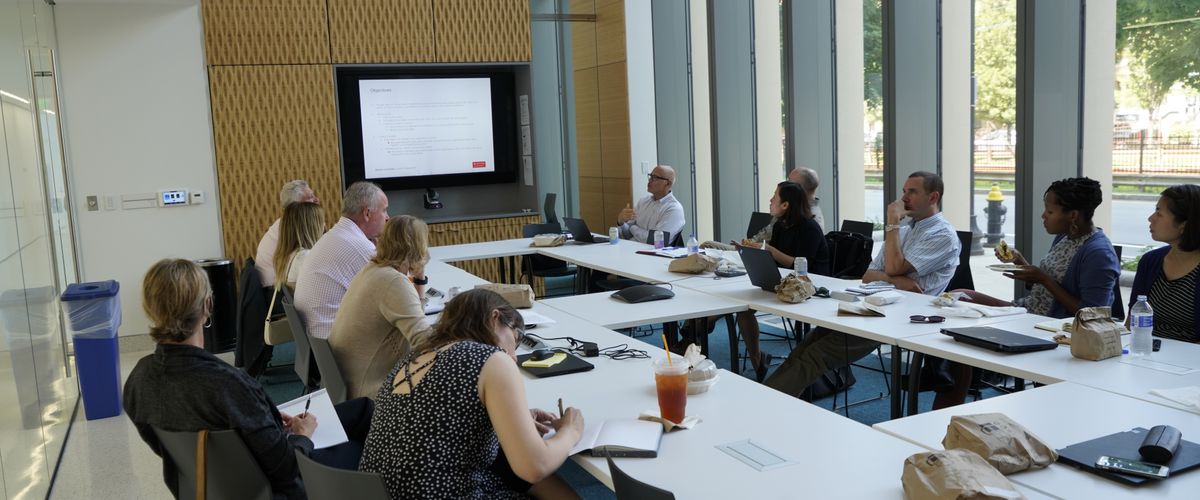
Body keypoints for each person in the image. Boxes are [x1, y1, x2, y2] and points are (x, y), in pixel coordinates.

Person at [124, 259, 373, 500]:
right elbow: (287, 469)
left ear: (150, 309)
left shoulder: (138, 381)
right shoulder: (228, 385)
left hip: (212, 487)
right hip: (278, 489)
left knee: (362, 409)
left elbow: (168, 449)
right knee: (358, 443)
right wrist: (302, 436)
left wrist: (266, 418)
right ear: (207, 306)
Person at [359, 289, 584, 499]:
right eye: (514, 339)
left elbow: (439, 423)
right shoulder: (491, 358)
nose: (514, 356)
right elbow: (534, 467)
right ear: (495, 318)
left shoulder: (413, 359)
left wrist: (513, 417)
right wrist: (570, 432)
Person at [764, 171, 959, 397]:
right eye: (904, 191)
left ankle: (764, 406)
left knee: (814, 356)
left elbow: (893, 268)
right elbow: (869, 275)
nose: (904, 198)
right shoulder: (905, 232)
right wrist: (897, 280)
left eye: (912, 192)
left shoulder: (942, 234)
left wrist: (892, 225)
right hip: (870, 305)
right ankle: (768, 401)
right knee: (805, 349)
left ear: (933, 197)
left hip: (899, 317)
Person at [943, 177, 1118, 409]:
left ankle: (951, 389)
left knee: (964, 313)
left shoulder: (1098, 253)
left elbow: (1091, 314)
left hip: (1050, 327)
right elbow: (1050, 285)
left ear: (1073, 216)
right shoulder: (1065, 237)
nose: (1043, 216)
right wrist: (1021, 264)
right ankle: (949, 387)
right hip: (1028, 313)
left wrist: (1042, 279)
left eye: (1049, 210)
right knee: (960, 297)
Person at [330, 215, 435, 400]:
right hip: (370, 394)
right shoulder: (393, 282)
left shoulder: (372, 270)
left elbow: (415, 315)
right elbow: (426, 343)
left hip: (347, 385)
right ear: (418, 247)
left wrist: (419, 276)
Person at [736, 181, 829, 382]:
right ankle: (757, 360)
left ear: (786, 205)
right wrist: (755, 252)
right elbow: (774, 261)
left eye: (774, 197)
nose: (770, 201)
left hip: (809, 288)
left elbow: (802, 264)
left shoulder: (810, 228)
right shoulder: (780, 225)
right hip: (784, 283)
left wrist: (768, 249)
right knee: (742, 309)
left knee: (742, 307)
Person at [294, 181, 389, 339]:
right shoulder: (360, 247)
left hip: (320, 345)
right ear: (367, 214)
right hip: (337, 346)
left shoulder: (335, 235)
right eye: (384, 210)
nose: (387, 217)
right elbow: (397, 296)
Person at [1130, 184, 1200, 343]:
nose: (1150, 218)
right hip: (1146, 353)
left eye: (1159, 213)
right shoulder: (1150, 261)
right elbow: (1132, 322)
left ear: (1184, 224)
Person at [256, 180, 319, 287]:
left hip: (281, 286)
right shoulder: (291, 227)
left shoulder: (286, 222)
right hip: (277, 291)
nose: (317, 200)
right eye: (311, 197)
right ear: (296, 206)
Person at [617, 164, 686, 244]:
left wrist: (632, 228)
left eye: (655, 177)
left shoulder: (674, 209)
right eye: (650, 176)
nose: (650, 180)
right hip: (632, 248)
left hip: (654, 254)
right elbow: (627, 235)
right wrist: (621, 222)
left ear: (668, 184)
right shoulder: (643, 202)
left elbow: (656, 241)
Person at [272, 201, 325, 290]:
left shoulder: (287, 256)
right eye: (321, 222)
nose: (324, 225)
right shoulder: (305, 257)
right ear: (311, 227)